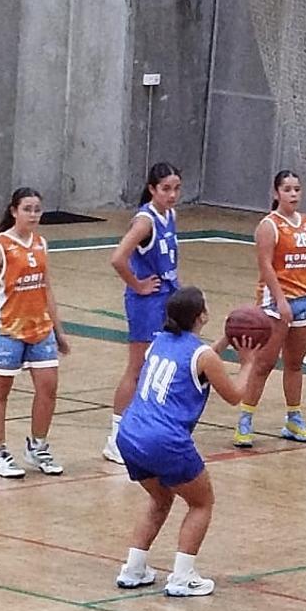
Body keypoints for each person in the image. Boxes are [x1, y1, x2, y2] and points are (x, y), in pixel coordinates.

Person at [113, 287, 259, 597]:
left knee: (160, 499)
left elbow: (197, 360)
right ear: (201, 316)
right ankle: (182, 577)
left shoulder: (158, 343)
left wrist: (223, 342)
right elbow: (234, 396)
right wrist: (248, 363)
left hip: (130, 433)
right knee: (201, 502)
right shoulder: (202, 355)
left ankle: (133, 569)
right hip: (164, 439)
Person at [233, 170, 306, 448]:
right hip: (276, 303)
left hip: (305, 301)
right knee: (264, 363)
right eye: (288, 189)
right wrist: (280, 300)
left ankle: (293, 418)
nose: (293, 194)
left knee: (294, 364)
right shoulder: (269, 226)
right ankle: (245, 419)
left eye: (297, 189)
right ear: (276, 193)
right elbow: (265, 266)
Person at [0, 187, 71, 478]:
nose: (33, 214)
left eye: (37, 209)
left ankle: (37, 446)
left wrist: (59, 330)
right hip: (5, 331)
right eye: (27, 208)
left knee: (48, 387)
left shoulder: (41, 244)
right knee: (0, 390)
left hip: (40, 330)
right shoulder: (0, 247)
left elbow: (46, 287)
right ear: (14, 211)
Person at [103, 163, 183, 465]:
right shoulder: (144, 221)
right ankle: (115, 438)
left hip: (167, 297)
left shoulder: (170, 215)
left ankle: (147, 432)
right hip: (146, 303)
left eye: (176, 188)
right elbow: (117, 258)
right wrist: (137, 285)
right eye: (166, 189)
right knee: (137, 369)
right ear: (152, 189)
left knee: (160, 367)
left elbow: (168, 260)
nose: (172, 194)